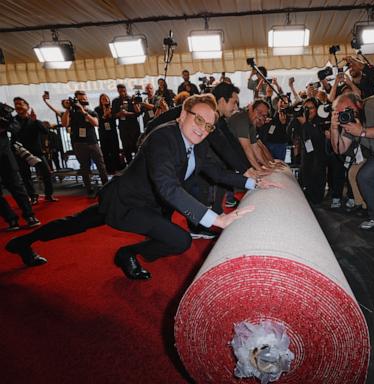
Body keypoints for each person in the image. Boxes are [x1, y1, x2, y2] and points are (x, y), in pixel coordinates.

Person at [6, 94, 280, 279]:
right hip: (124, 201)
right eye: (198, 120)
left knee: (177, 239)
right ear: (183, 114)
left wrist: (252, 182)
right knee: (73, 224)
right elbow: (168, 187)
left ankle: (127, 254)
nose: (202, 129)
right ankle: (24, 242)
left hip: (149, 206)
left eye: (208, 126)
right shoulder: (163, 138)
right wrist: (216, 219)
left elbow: (215, 171)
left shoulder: (196, 143)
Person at [330, 93, 374, 230]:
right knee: (365, 177)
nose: (346, 114)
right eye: (341, 112)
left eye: (348, 109)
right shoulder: (349, 121)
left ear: (358, 104)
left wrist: (363, 132)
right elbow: (340, 149)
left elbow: (362, 132)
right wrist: (334, 128)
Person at [0, 102, 40, 230]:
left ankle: (30, 216)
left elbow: (15, 127)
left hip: (4, 155)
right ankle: (11, 219)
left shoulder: (2, 108)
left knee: (16, 186)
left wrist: (3, 127)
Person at [12, 97, 58, 204]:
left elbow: (45, 131)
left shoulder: (34, 120)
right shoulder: (13, 121)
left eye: (20, 104)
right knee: (26, 176)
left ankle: (49, 195)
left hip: (37, 152)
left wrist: (36, 121)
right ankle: (33, 196)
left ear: (27, 107)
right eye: (16, 104)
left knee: (46, 173)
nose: (18, 106)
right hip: (21, 152)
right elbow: (15, 134)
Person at [62, 90, 108, 195]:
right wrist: (68, 109)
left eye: (85, 99)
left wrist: (84, 112)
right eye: (80, 99)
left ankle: (106, 186)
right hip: (79, 143)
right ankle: (89, 188)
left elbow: (96, 123)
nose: (83, 100)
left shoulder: (91, 112)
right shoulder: (71, 113)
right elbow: (65, 124)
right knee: (84, 167)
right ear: (76, 100)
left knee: (101, 165)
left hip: (92, 141)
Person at [111, 84, 141, 164]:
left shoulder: (132, 99)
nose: (122, 93)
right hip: (123, 127)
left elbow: (138, 114)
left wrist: (127, 113)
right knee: (126, 147)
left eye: (124, 91)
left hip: (134, 127)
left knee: (136, 146)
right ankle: (130, 167)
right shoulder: (115, 101)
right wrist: (119, 114)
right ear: (118, 91)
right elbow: (113, 115)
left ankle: (139, 165)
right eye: (120, 91)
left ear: (126, 90)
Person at [95, 94, 122, 174]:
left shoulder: (113, 108)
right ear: (100, 101)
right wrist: (104, 115)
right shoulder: (97, 109)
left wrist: (111, 114)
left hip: (112, 131)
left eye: (107, 99)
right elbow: (98, 121)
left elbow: (115, 118)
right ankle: (109, 169)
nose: (105, 100)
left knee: (115, 149)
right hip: (103, 132)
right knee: (105, 150)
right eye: (103, 99)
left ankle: (117, 168)